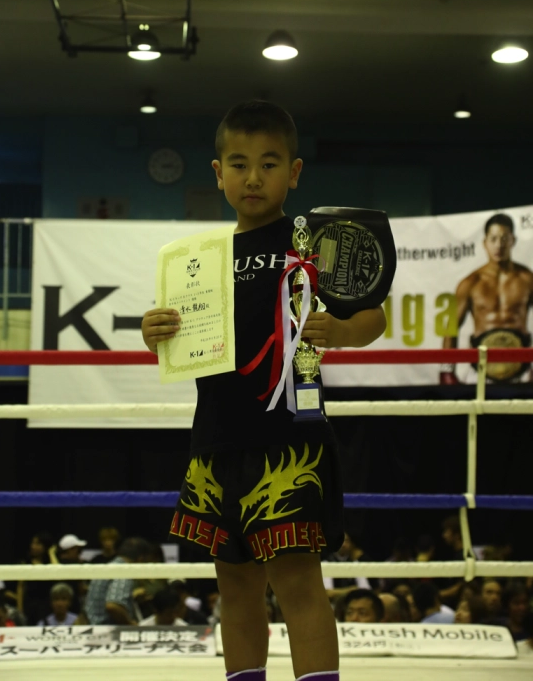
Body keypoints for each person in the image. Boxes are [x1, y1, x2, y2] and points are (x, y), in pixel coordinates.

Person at [141, 100, 387, 681]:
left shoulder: (313, 244)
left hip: (289, 441)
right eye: (239, 164)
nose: (253, 177)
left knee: (298, 583)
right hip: (216, 441)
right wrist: (154, 332)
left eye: (269, 164)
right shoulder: (198, 261)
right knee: (235, 587)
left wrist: (340, 332)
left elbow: (373, 316)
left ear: (294, 172)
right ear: (218, 172)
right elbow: (180, 341)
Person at [441, 212, 533, 385]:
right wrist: (447, 371)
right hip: (481, 371)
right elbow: (451, 327)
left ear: (513, 240)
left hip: (521, 371)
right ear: (485, 242)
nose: (499, 245)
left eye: (504, 238)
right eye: (493, 239)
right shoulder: (470, 283)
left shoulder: (527, 279)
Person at [84, 537, 153, 626]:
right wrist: (131, 624)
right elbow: (112, 606)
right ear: (140, 559)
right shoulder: (123, 571)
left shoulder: (107, 568)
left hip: (93, 627)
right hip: (106, 631)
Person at [16, 531, 55, 626]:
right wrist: (20, 609)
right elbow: (21, 587)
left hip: (46, 604)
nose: (33, 546)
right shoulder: (26, 563)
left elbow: (58, 572)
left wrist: (51, 553)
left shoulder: (49, 563)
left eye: (37, 544)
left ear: (45, 546)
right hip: (30, 604)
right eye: (33, 543)